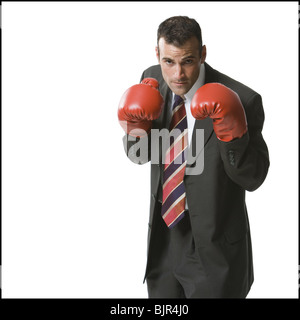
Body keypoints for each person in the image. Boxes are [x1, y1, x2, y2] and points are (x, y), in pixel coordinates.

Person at [118, 16, 269, 298]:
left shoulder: (243, 99)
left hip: (214, 250)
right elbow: (139, 156)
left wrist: (233, 136)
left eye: (187, 61)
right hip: (164, 242)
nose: (178, 75)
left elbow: (254, 178)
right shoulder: (150, 81)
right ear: (158, 54)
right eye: (169, 62)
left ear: (202, 54)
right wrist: (135, 131)